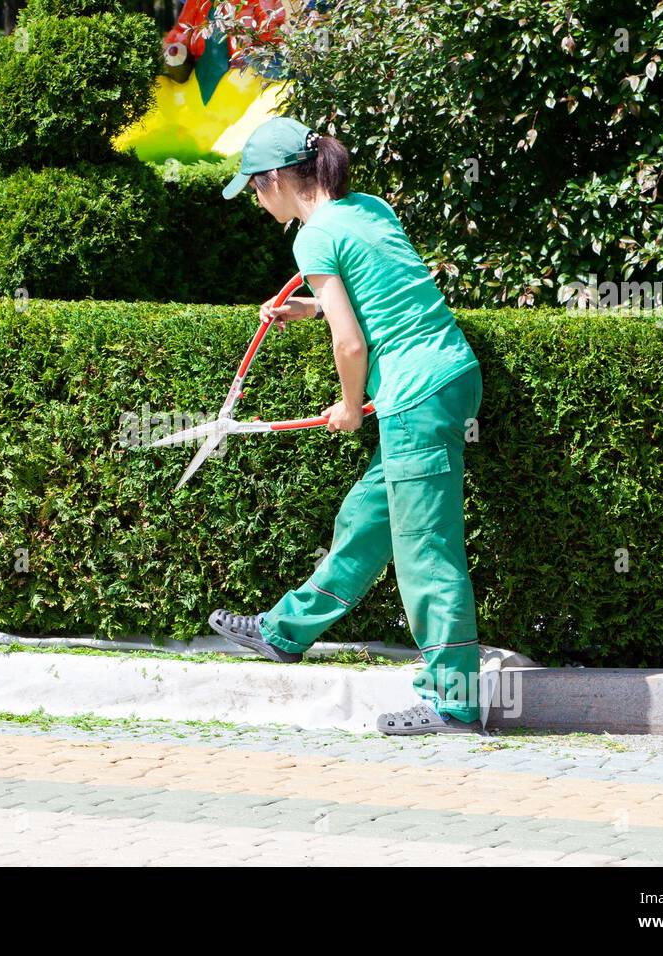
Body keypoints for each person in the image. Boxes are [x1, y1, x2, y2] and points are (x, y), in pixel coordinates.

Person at [209, 116, 487, 736]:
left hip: (415, 395)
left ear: (277, 179)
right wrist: (307, 307)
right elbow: (381, 295)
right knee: (367, 518)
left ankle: (455, 702)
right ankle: (284, 630)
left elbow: (351, 343)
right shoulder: (367, 208)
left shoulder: (312, 238)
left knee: (426, 549)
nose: (256, 202)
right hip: (450, 376)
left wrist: (348, 404)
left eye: (254, 189)